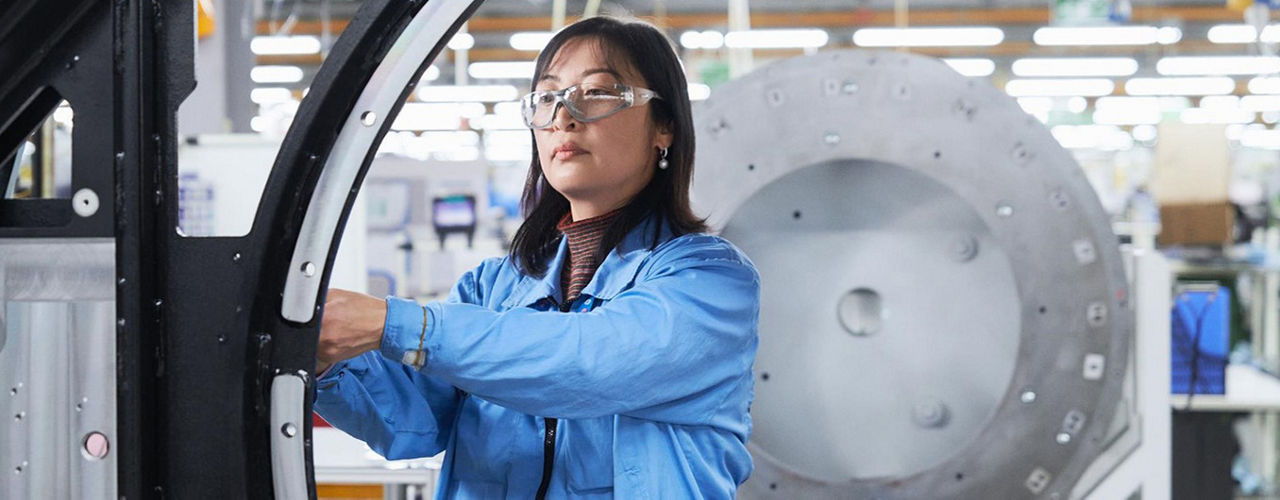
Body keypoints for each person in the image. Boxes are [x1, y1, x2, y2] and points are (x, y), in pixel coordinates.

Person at [313, 16, 760, 499]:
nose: (564, 116)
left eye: (597, 92)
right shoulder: (493, 288)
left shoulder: (709, 282)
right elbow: (412, 421)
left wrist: (402, 325)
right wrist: (322, 360)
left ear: (665, 126)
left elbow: (586, 364)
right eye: (548, 97)